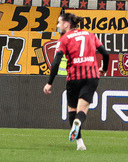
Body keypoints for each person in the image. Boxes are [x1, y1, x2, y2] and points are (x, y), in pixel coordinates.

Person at [42, 12, 109, 151]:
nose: (58, 25)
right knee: (82, 110)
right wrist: (104, 68)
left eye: (59, 23)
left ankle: (80, 142)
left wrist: (50, 82)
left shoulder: (64, 39)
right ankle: (79, 126)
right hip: (91, 76)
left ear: (67, 24)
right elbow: (105, 54)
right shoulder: (90, 35)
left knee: (72, 110)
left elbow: (56, 61)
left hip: (74, 78)